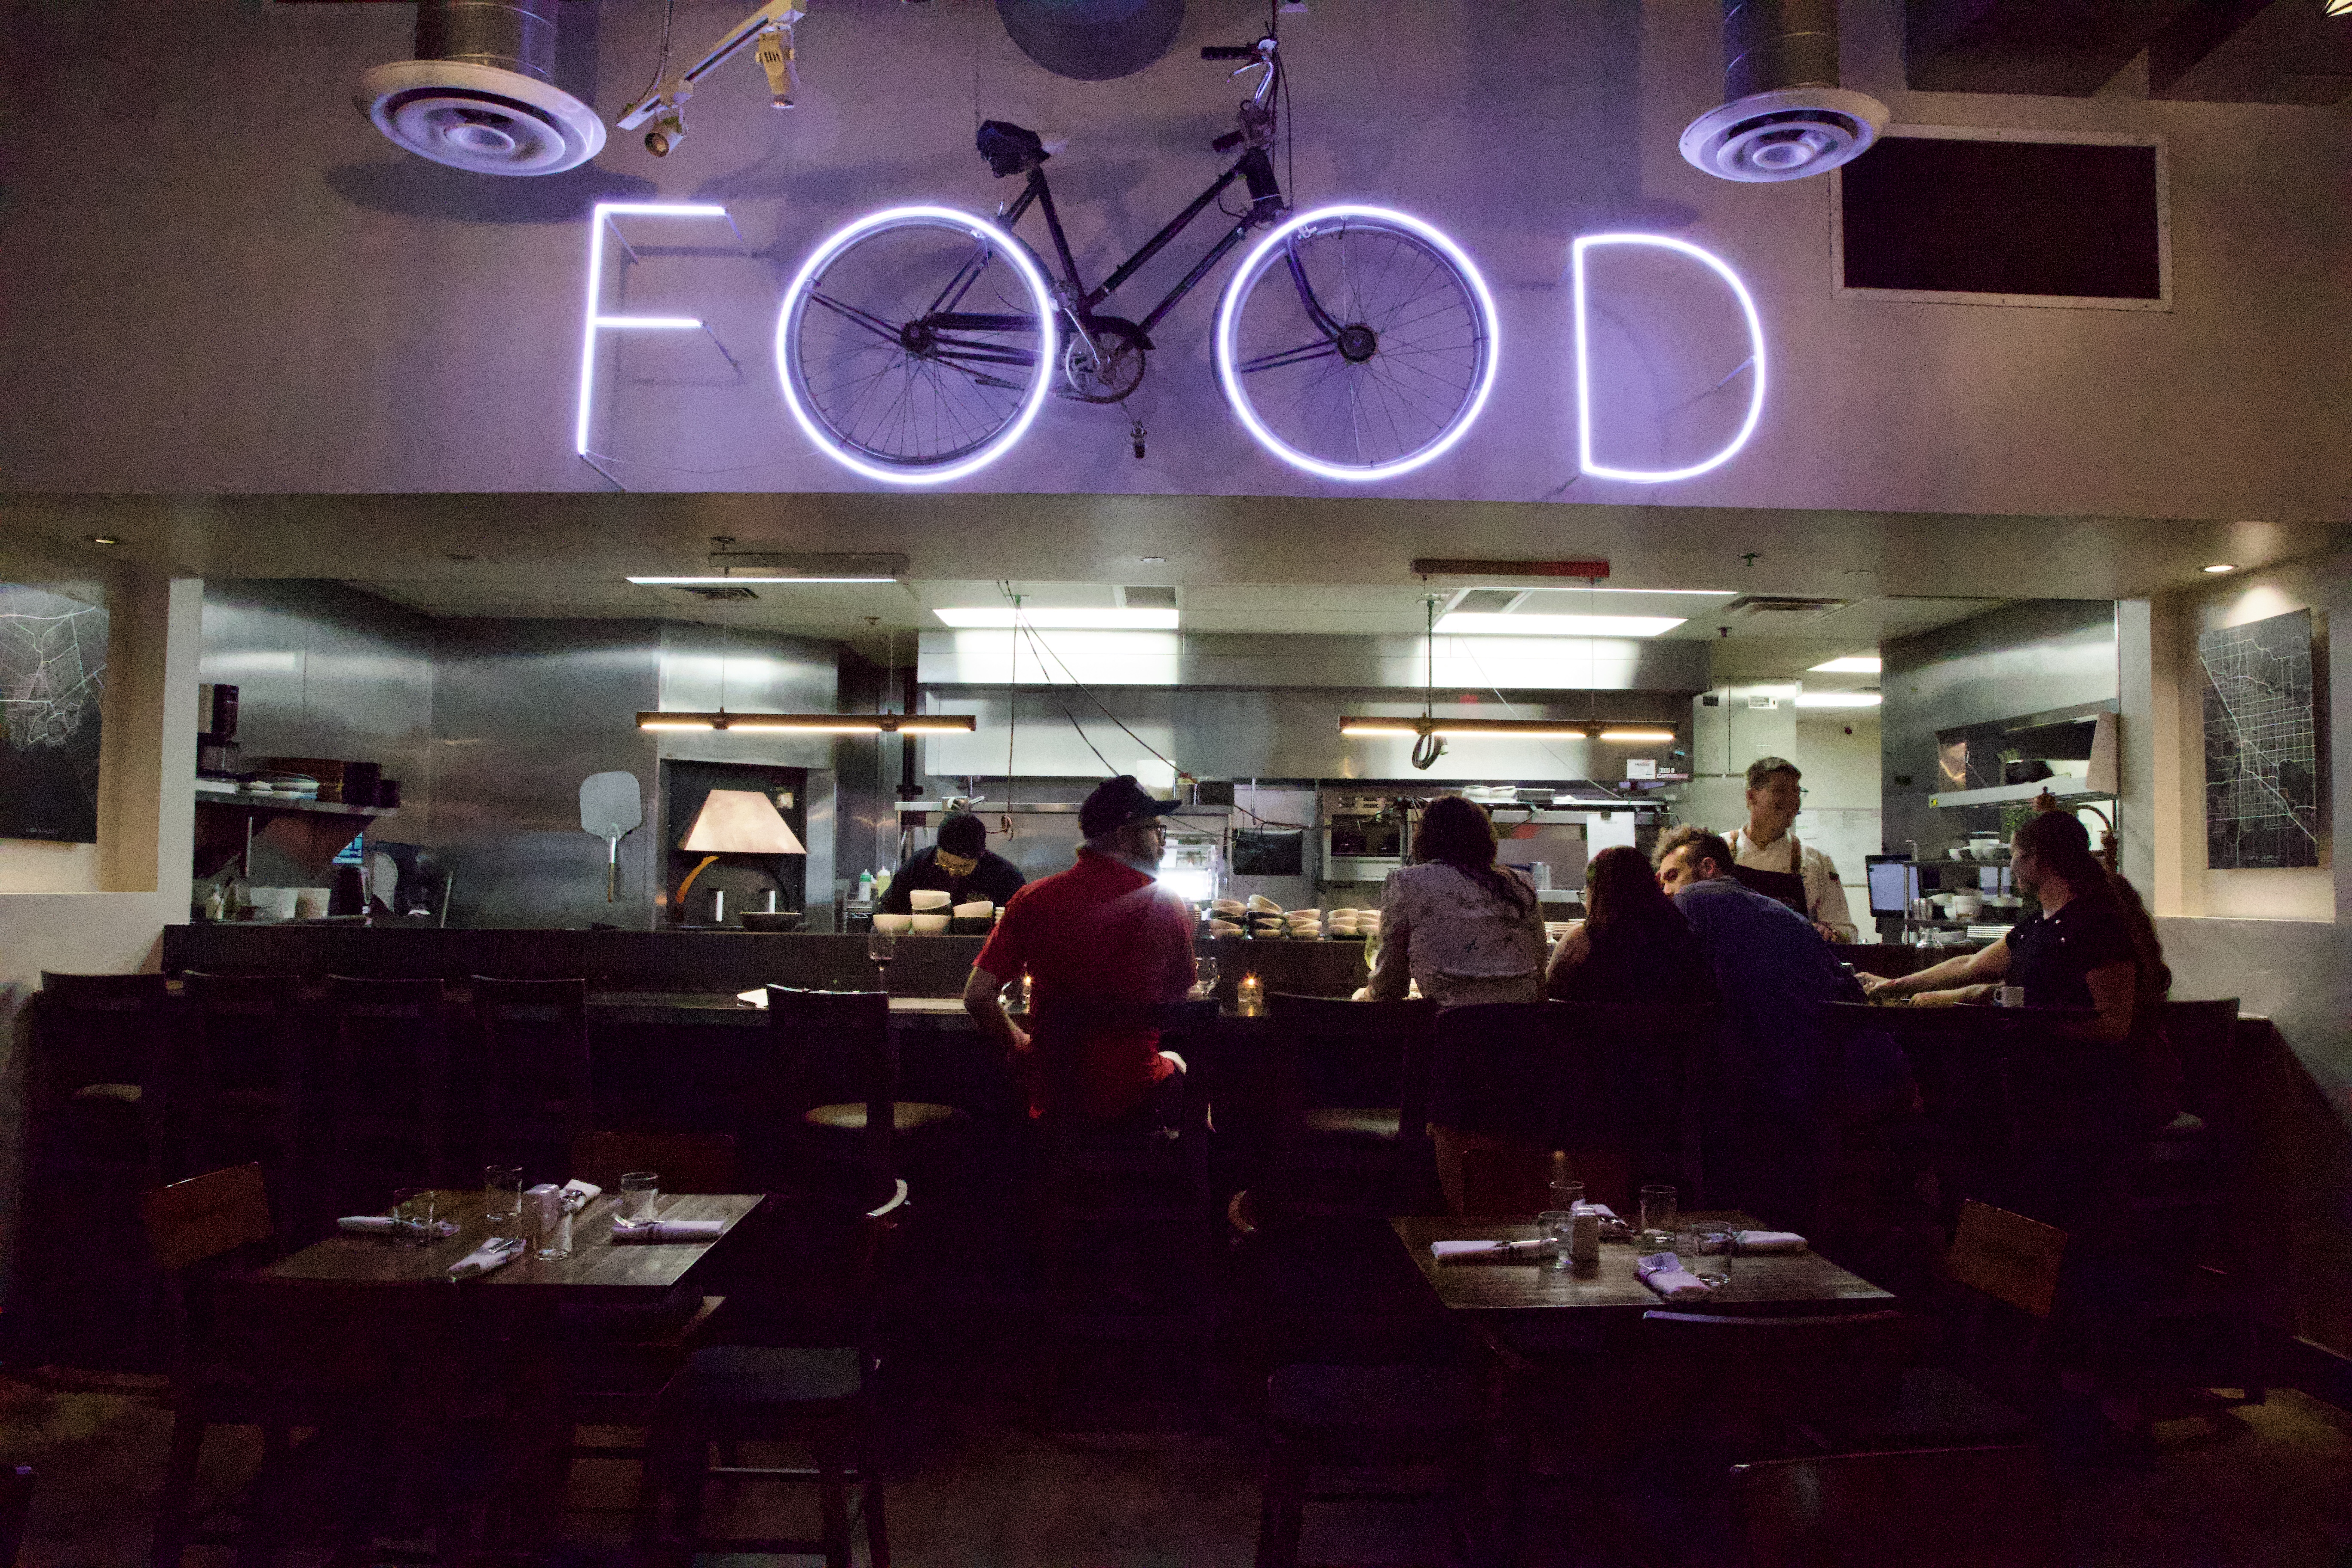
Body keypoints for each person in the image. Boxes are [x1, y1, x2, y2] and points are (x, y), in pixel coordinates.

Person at [1654, 824, 1897, 1226]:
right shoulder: (1781, 914)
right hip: (1823, 1078)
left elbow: (1664, 977)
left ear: (1708, 868)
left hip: (1755, 1076)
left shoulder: (1697, 898)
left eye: (1672, 876)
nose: (1666, 891)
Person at [961, 776, 1196, 1126]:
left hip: (1056, 1104)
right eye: (1156, 832)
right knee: (1180, 1065)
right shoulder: (1167, 904)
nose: (1162, 846)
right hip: (1137, 1101)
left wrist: (1022, 1044)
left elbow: (977, 996)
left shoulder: (1034, 900)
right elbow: (1184, 1002)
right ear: (1123, 834)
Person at [1366, 794, 1547, 1009]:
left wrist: (1365, 996)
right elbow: (1539, 972)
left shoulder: (1407, 882)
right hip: (1523, 1028)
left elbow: (1390, 985)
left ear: (1425, 839)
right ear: (1486, 839)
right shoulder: (1519, 883)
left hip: (1450, 1030)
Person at [1544, 844, 1715, 1005]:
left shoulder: (1579, 941)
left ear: (1596, 894)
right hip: (1672, 1035)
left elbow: (1547, 996)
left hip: (1597, 1034)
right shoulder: (1684, 935)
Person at [1722, 756, 1856, 943]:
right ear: (1751, 797)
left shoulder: (1817, 862)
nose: (1793, 801)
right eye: (1780, 791)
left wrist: (1829, 935)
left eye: (1796, 792)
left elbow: (1846, 933)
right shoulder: (1719, 851)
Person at [878, 811, 1025, 915]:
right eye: (945, 864)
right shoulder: (919, 865)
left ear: (981, 856)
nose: (953, 872)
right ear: (937, 851)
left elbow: (1024, 922)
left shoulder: (1005, 876)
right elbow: (886, 909)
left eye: (963, 867)